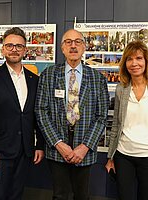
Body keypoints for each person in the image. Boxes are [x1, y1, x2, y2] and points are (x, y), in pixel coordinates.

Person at [35, 29, 109, 200]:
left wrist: (84, 147)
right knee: (59, 195)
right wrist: (59, 144)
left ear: (84, 47)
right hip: (57, 148)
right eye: (68, 42)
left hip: (85, 148)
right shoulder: (49, 75)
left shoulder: (97, 78)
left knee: (82, 196)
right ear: (62, 48)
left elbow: (101, 116)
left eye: (78, 42)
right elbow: (41, 111)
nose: (73, 45)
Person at [0, 27, 44, 200]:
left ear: (25, 50)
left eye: (19, 46)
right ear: (3, 49)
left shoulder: (34, 79)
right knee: (0, 196)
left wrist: (39, 146)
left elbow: (37, 115)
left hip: (25, 152)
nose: (14, 49)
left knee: (16, 196)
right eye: (10, 45)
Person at [105, 40, 148, 200]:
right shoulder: (121, 89)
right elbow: (116, 124)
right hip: (124, 155)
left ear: (146, 61)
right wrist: (110, 157)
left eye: (139, 58)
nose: (134, 63)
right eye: (129, 59)